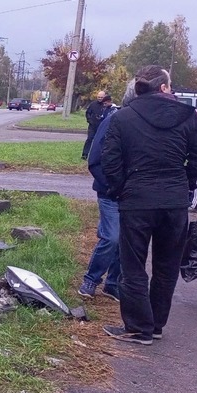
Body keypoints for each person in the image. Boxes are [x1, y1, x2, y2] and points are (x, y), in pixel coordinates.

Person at [99, 65, 197, 345]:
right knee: (166, 266)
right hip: (174, 202)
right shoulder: (188, 116)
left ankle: (139, 328)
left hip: (137, 199)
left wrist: (121, 188)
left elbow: (110, 161)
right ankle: (156, 325)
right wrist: (182, 179)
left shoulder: (123, 117)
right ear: (163, 87)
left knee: (133, 265)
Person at [78, 85, 132, 301]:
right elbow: (95, 158)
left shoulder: (145, 125)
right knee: (111, 237)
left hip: (133, 193)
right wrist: (111, 185)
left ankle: (112, 284)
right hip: (110, 192)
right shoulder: (114, 120)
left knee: (125, 240)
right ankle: (91, 279)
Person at [82, 91, 112, 159]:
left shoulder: (106, 105)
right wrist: (90, 120)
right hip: (92, 126)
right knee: (89, 139)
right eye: (98, 97)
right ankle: (85, 154)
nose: (100, 99)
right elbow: (88, 113)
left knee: (100, 141)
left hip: (101, 126)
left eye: (101, 97)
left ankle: (98, 155)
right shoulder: (93, 104)